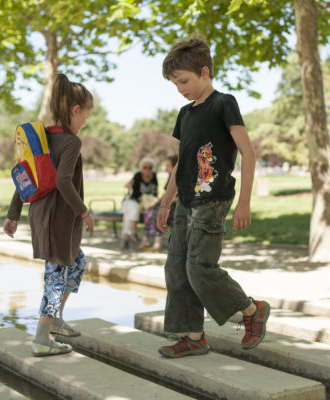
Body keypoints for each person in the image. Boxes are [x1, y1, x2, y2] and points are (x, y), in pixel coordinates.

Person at [155, 38, 269, 358]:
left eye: (183, 81)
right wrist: (166, 202)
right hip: (185, 203)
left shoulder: (224, 103)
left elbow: (247, 152)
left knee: (200, 267)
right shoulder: (184, 114)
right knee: (176, 269)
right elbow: (181, 163)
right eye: (174, 83)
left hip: (214, 199)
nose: (180, 88)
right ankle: (194, 337)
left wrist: (244, 202)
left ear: (205, 72)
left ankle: (251, 310)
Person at [3, 73, 94, 357]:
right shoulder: (71, 142)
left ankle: (55, 321)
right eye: (87, 116)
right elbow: (62, 181)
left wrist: (13, 214)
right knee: (55, 277)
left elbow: (26, 177)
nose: (86, 122)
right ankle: (42, 339)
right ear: (75, 111)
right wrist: (84, 212)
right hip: (58, 219)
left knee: (77, 262)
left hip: (43, 216)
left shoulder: (42, 138)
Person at [139, 154, 178, 251]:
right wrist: (156, 203)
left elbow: (180, 197)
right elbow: (165, 194)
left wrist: (167, 202)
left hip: (174, 207)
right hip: (167, 205)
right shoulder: (170, 176)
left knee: (157, 214)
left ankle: (157, 242)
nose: (165, 169)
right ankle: (146, 239)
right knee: (149, 212)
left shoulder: (179, 178)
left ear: (174, 166)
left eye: (168, 166)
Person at [121, 157, 158, 249]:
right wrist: (129, 186)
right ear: (141, 167)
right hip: (133, 200)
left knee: (130, 212)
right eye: (145, 167)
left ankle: (127, 238)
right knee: (133, 208)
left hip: (148, 203)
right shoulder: (138, 175)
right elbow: (129, 186)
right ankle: (133, 233)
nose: (147, 170)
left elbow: (155, 193)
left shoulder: (154, 177)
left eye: (150, 167)